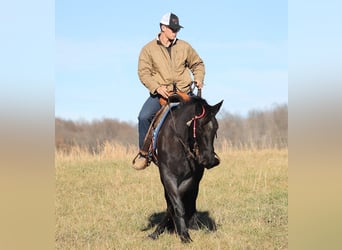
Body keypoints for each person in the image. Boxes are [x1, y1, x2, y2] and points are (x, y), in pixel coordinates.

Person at [132, 12, 205, 170]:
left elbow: (197, 64)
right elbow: (143, 72)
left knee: (203, 114)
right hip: (161, 95)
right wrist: (156, 88)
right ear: (163, 28)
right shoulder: (148, 49)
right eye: (172, 28)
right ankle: (144, 154)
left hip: (184, 92)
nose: (175, 32)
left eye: (177, 29)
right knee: (143, 117)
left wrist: (198, 77)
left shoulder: (184, 46)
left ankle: (205, 152)